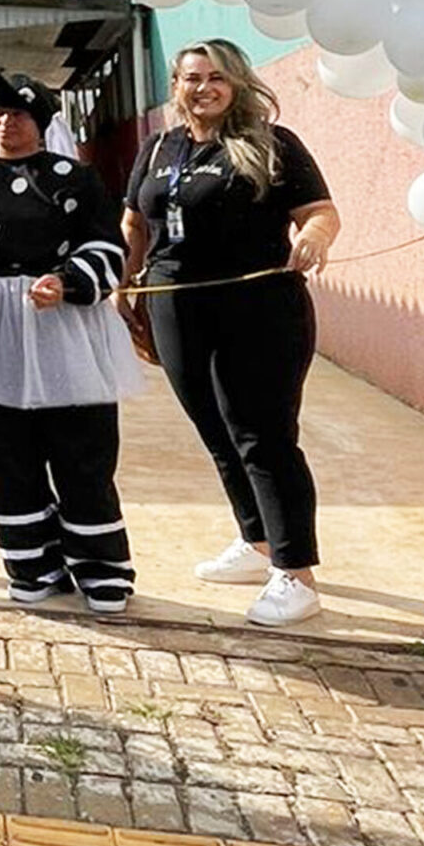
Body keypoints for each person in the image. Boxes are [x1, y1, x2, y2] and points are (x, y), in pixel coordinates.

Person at [120, 38, 340, 627]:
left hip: (259, 307)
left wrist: (313, 238)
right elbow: (135, 221)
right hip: (175, 305)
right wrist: (127, 287)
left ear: (237, 83)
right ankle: (257, 542)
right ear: (177, 85)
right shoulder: (160, 146)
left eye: (218, 77)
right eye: (194, 78)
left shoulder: (272, 145)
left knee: (262, 436)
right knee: (216, 431)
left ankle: (296, 574)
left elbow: (320, 211)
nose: (205, 87)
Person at [0, 58, 144, 614]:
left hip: (62, 328)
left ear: (40, 122)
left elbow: (108, 248)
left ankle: (100, 569)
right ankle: (32, 564)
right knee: (4, 451)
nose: (5, 124)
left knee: (83, 449)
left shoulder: (76, 180)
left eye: (18, 114)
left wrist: (67, 282)